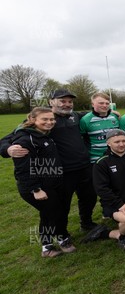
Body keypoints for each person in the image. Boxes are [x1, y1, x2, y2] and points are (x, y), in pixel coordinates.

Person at [2, 89, 98, 231]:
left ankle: (87, 223)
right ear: (51, 101)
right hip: (62, 172)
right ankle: (62, 233)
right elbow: (10, 137)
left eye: (70, 102)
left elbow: (92, 115)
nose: (67, 104)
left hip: (84, 167)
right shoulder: (44, 119)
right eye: (62, 101)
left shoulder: (76, 116)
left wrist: (109, 113)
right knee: (62, 205)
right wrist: (7, 149)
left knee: (89, 198)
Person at [12, 107, 74, 258]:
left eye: (52, 119)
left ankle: (62, 237)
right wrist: (35, 189)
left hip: (53, 183)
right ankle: (47, 247)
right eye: (44, 119)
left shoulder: (44, 134)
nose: (49, 122)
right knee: (50, 214)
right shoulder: (26, 139)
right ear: (33, 120)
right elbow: (22, 168)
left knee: (57, 212)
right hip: (38, 187)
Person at [89, 129, 125, 251]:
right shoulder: (101, 163)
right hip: (115, 204)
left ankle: (104, 232)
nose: (121, 144)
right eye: (117, 142)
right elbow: (101, 189)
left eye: (124, 141)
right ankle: (123, 238)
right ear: (109, 143)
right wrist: (120, 205)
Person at [79, 92, 121, 163]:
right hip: (95, 159)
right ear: (92, 104)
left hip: (115, 156)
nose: (105, 105)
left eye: (107, 103)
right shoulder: (85, 120)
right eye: (101, 103)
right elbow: (81, 139)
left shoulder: (114, 117)